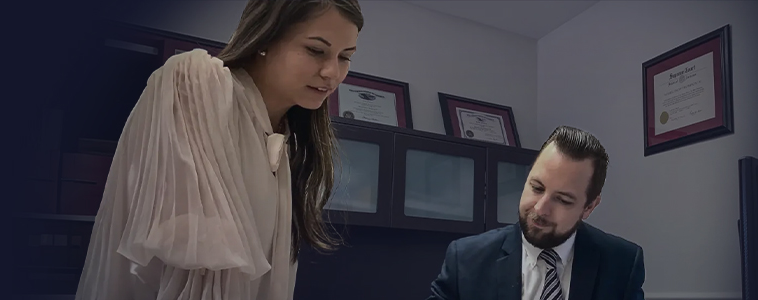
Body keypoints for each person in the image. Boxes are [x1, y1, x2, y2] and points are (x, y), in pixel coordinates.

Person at [74, 0, 363, 299]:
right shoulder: (198, 85)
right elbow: (190, 258)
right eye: (316, 50)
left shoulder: (288, 136)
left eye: (345, 56)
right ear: (265, 37)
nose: (332, 72)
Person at [425, 125, 646, 300]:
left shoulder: (622, 264)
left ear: (589, 207)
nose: (540, 208)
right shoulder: (466, 259)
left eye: (562, 200)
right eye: (537, 188)